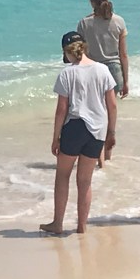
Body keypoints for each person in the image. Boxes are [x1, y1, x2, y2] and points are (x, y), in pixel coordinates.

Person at [40, 31, 117, 235]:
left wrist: (55, 137)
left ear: (66, 52)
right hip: (97, 130)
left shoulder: (67, 73)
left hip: (75, 127)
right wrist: (111, 132)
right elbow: (112, 105)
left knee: (62, 176)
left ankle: (58, 223)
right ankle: (82, 226)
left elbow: (61, 109)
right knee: (85, 181)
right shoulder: (102, 70)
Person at [77, 0, 128, 167]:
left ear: (91, 1)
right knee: (108, 114)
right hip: (114, 70)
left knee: (96, 115)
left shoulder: (84, 23)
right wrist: (126, 81)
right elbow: (123, 54)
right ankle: (107, 156)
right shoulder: (119, 22)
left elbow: (81, 54)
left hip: (94, 71)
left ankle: (98, 158)